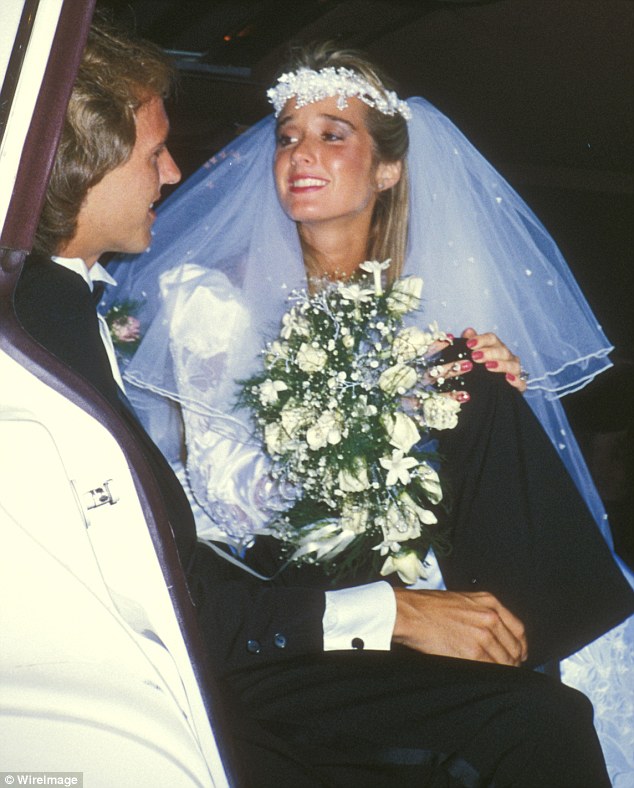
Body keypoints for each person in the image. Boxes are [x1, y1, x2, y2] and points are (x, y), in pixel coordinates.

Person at [14, 24, 629, 785]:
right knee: (526, 719)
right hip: (288, 587)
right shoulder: (210, 300)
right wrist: (368, 475)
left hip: (430, 576)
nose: (299, 155)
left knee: (478, 396)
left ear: (389, 169)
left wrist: (482, 395)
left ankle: (538, 658)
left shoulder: (434, 311)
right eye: (286, 137)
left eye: (332, 135)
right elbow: (225, 503)